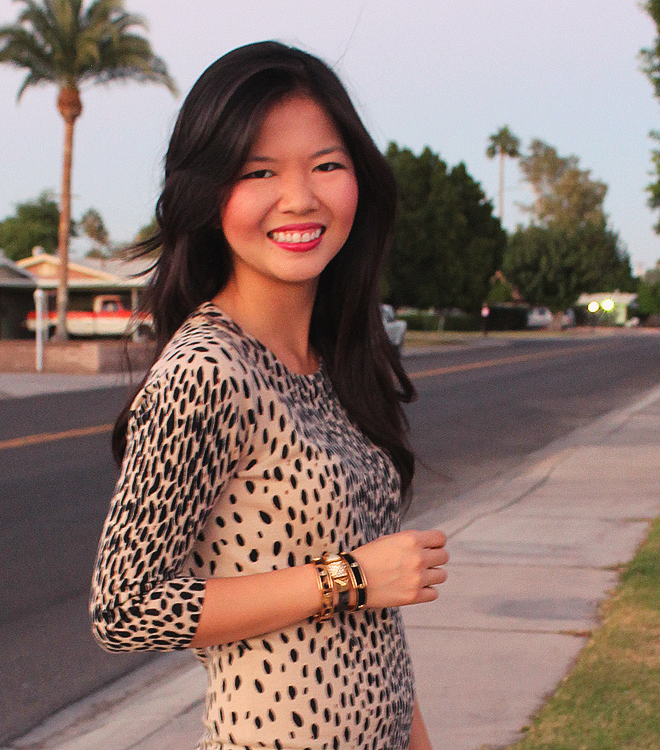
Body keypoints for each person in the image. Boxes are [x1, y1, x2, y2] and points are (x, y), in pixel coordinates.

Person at [90, 41, 448, 750]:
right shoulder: (207, 371)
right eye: (260, 171)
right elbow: (125, 609)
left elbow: (372, 631)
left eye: (326, 165)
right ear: (209, 192)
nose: (300, 198)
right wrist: (347, 577)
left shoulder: (334, 361)